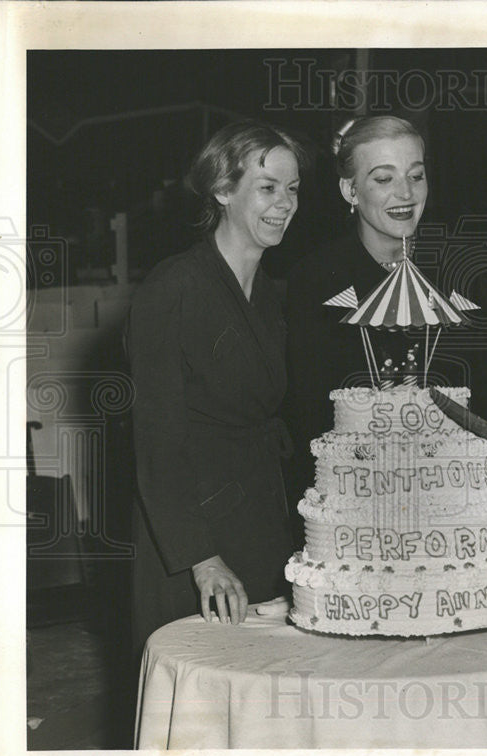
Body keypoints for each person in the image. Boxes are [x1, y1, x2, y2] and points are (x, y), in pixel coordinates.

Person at [128, 120, 308, 656]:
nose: (285, 203)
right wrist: (202, 560)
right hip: (190, 542)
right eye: (267, 187)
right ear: (223, 191)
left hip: (256, 522)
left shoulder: (270, 295)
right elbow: (156, 443)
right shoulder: (173, 288)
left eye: (293, 188)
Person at [284, 116, 461, 505]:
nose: (405, 193)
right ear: (350, 189)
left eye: (416, 176)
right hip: (351, 506)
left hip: (451, 504)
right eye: (383, 179)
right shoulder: (313, 282)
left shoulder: (459, 273)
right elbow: (307, 418)